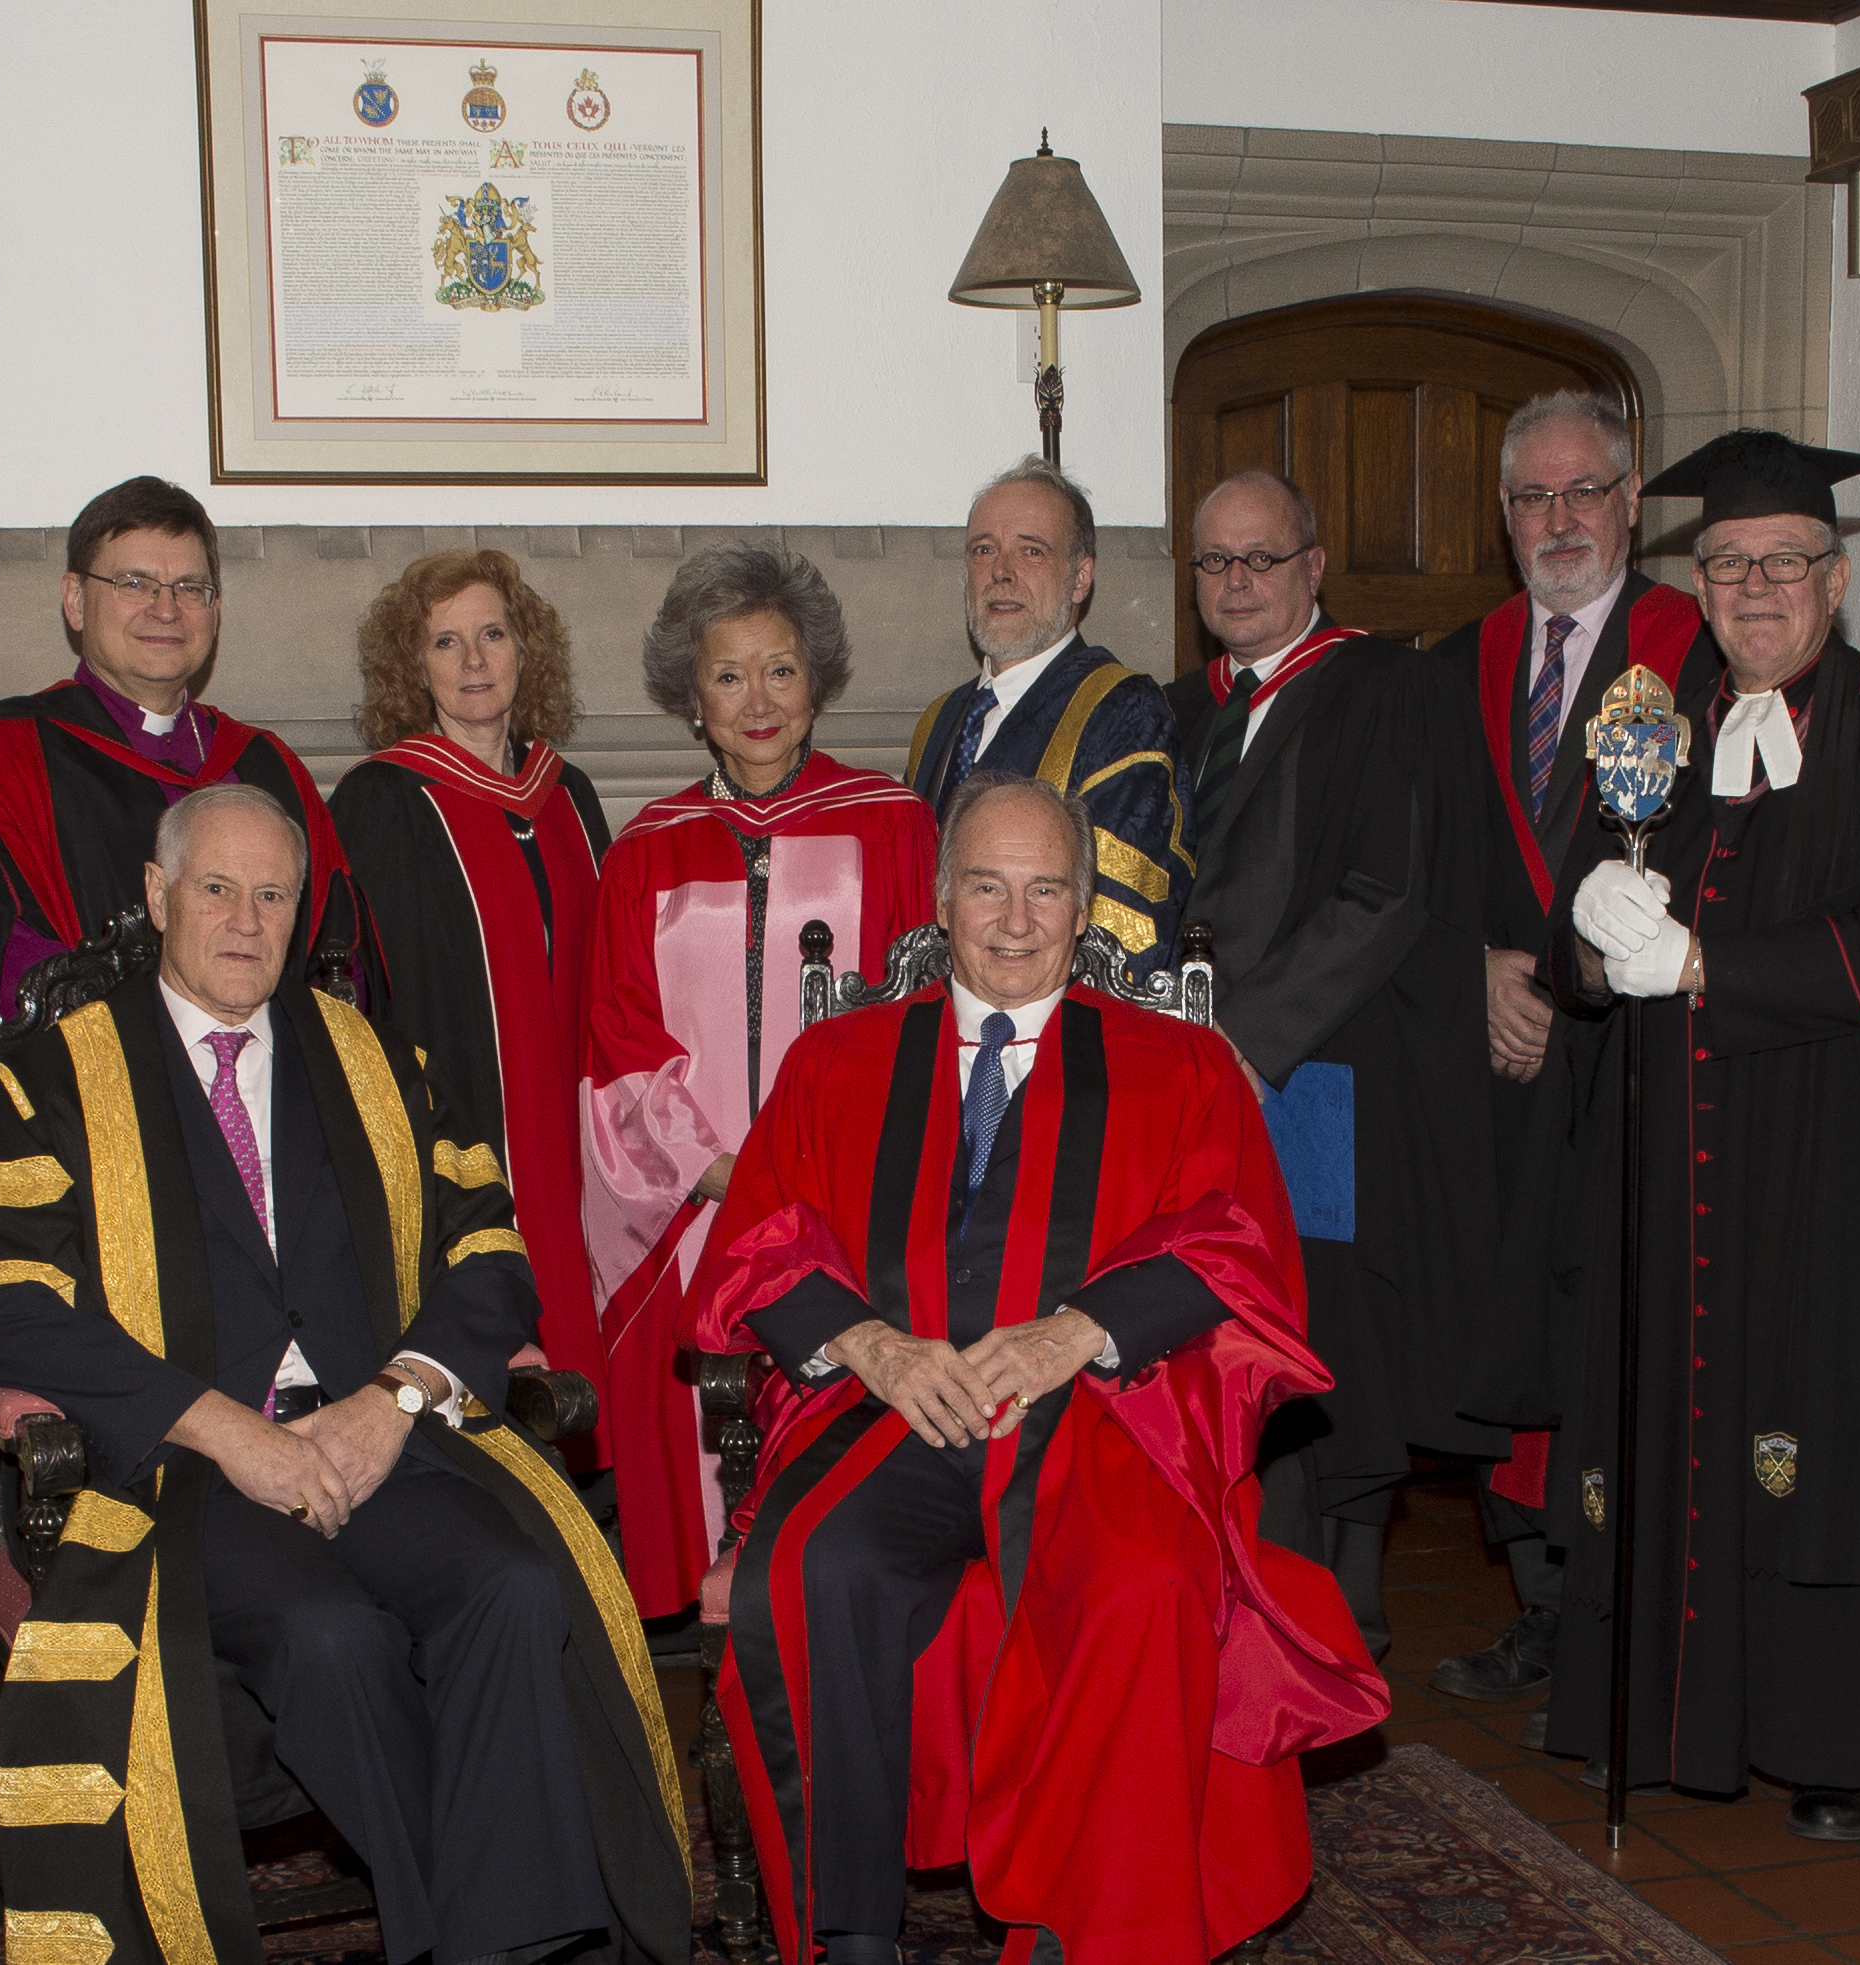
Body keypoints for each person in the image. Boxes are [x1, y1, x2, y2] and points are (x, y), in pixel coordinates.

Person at [0, 784, 689, 1965]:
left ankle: (478, 1945)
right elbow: (5, 1309)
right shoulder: (49, 1078)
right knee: (331, 1638)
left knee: (514, 1584)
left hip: (375, 1437)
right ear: (156, 894)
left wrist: (395, 1399)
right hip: (187, 1477)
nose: (246, 921)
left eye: (274, 894)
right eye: (216, 889)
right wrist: (222, 1430)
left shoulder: (383, 1061)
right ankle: (485, 1937)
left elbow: (490, 1254)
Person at [692, 773, 1385, 1965]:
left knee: (1140, 1587)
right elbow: (759, 1236)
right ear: (941, 898)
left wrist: (1080, 1331)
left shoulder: (1180, 1065)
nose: (1015, 921)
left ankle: (1087, 1929)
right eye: (988, 888)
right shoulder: (837, 1060)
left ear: (1086, 911)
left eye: (1046, 891)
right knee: (809, 1569)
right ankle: (843, 1931)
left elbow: (1240, 1244)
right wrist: (874, 1346)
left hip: (1099, 1423)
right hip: (887, 1415)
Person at [1547, 429, 1860, 1839]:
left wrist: (1700, 968)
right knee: (1658, 1422)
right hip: (1667, 1156)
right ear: (1696, 583)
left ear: (1837, 575)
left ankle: (1821, 1747)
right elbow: (1591, 919)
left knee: (1810, 1440)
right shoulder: (1650, 731)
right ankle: (1645, 1713)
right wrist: (1588, 935)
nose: (1754, 588)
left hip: (1827, 1172)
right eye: (1728, 564)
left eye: (1784, 563)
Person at [0, 473, 360, 1575]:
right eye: (133, 582)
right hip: (89, 1204)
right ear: (73, 598)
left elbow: (343, 1016)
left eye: (190, 585)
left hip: (267, 1214)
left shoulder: (267, 772)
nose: (165, 607)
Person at [1160, 470, 1501, 1660]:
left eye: (1262, 558)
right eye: (1215, 564)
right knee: (1223, 1316)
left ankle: (1344, 1604)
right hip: (1198, 1067)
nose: (1238, 582)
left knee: (1330, 1326)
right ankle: (1242, 1577)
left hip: (1320, 1068)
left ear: (1314, 567)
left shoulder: (1386, 690)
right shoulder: (1182, 709)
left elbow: (1385, 891)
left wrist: (1245, 1045)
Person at [580, 542, 938, 1616]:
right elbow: (618, 1037)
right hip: (698, 1201)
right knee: (704, 1436)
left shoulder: (891, 822)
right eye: (729, 676)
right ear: (692, 697)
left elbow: (918, 1018)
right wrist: (716, 1170)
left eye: (780, 669)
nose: (758, 700)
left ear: (817, 678)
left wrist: (815, 1168)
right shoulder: (646, 848)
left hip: (841, 1191)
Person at [1426, 394, 1709, 1738]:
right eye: (1532, 500)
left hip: (1629, 1055)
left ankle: (1621, 1607)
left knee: (1610, 1323)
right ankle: (1538, 1597)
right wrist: (1478, 961)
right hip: (1496, 1053)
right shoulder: (1463, 657)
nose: (1558, 522)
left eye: (1581, 493)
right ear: (1502, 516)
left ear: (1630, 499)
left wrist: (1563, 971)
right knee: (1507, 1311)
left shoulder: (1691, 650)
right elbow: (1426, 847)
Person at [331, 548, 613, 1433]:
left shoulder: (568, 795)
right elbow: (357, 997)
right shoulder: (381, 801)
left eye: (492, 633)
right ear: (413, 668)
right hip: (457, 1125)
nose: (474, 661)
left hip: (574, 1120)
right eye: (445, 643)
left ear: (525, 650)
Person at [903, 457, 1190, 977]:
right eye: (983, 549)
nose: (1001, 571)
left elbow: (1122, 930)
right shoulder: (939, 721)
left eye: (1031, 550)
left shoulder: (1122, 712)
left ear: (1080, 578)